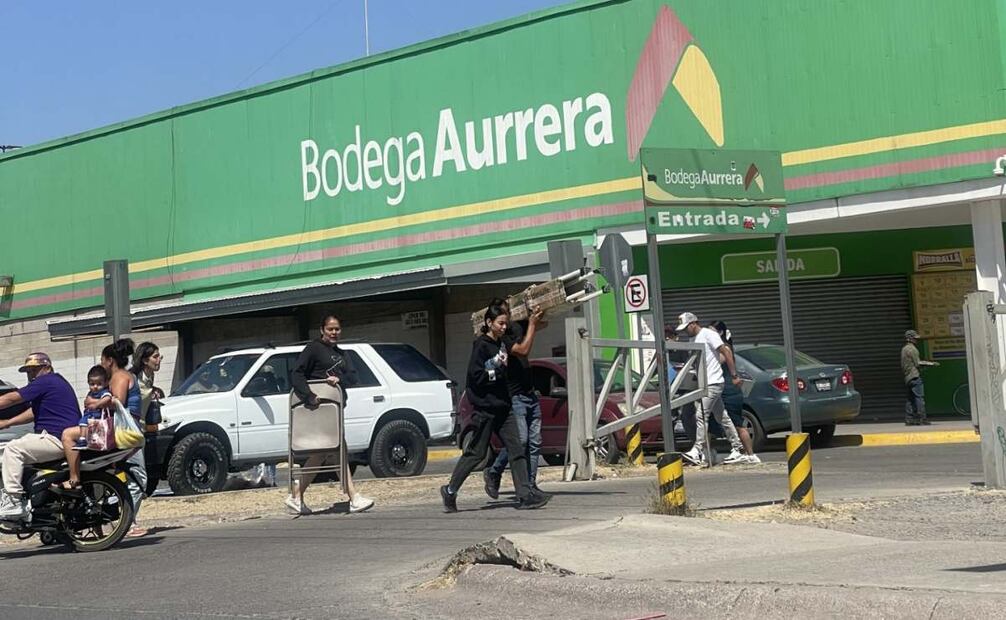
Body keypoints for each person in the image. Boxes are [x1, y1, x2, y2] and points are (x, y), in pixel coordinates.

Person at [441, 302, 551, 512]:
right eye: (500, 323)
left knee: (517, 448)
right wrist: (495, 374)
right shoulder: (481, 346)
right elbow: (475, 377)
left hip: (504, 406)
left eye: (505, 323)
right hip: (486, 408)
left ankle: (524, 495)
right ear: (489, 323)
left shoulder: (502, 344)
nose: (503, 327)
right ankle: (450, 490)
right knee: (476, 454)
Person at [288, 315, 375, 515]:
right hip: (318, 411)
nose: (334, 332)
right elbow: (297, 374)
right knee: (334, 449)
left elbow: (353, 377)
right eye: (330, 329)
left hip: (335, 411)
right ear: (322, 330)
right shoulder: (313, 348)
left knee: (322, 453)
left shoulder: (342, 354)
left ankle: (296, 495)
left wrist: (339, 378)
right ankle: (353, 497)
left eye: (337, 329)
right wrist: (309, 396)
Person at [0, 353, 81, 520]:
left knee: (13, 449)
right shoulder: (53, 383)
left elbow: (12, 398)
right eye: (28, 371)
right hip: (52, 436)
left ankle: (14, 501)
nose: (31, 375)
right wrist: (7, 422)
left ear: (47, 368)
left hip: (57, 438)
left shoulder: (47, 381)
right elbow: (33, 413)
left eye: (34, 370)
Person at [483, 300, 546, 499]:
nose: (507, 317)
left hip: (530, 393)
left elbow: (542, 324)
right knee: (521, 441)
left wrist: (535, 315)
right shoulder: (503, 339)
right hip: (516, 396)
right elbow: (523, 349)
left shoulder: (517, 326)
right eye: (503, 314)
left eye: (508, 311)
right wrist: (533, 324)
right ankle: (495, 471)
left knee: (535, 442)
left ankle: (531, 484)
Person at [675, 312, 746, 466]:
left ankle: (697, 450)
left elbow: (726, 351)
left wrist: (734, 375)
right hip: (704, 383)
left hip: (713, 382)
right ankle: (737, 448)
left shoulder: (708, 334)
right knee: (722, 417)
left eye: (686, 327)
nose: (685, 331)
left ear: (694, 323)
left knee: (701, 414)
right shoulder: (692, 339)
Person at [103, 338, 149, 538]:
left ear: (110, 360)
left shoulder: (119, 376)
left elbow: (117, 403)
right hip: (126, 432)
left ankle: (125, 519)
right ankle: (125, 521)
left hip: (125, 430)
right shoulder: (123, 376)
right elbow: (119, 403)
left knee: (129, 476)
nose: (101, 364)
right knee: (138, 477)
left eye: (103, 360)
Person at [708, 321, 760, 464]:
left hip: (729, 392)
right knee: (711, 424)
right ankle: (709, 454)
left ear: (720, 333)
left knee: (737, 423)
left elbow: (718, 361)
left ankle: (750, 454)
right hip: (719, 391)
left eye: (712, 332)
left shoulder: (724, 348)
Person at [54, 365, 113, 491]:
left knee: (67, 434)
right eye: (92, 384)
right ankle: (82, 438)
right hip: (89, 419)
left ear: (105, 382)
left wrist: (95, 404)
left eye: (98, 383)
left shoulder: (104, 392)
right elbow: (86, 402)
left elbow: (107, 399)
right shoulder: (91, 393)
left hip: (98, 422)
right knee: (82, 423)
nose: (95, 386)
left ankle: (74, 477)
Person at [130, 342, 165, 496]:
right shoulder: (133, 378)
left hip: (141, 429)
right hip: (131, 428)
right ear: (145, 360)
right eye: (155, 357)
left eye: (159, 356)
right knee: (138, 473)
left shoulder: (150, 376)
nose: (159, 360)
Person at [902, 329, 938, 425]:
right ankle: (922, 418)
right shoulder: (912, 349)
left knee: (910, 399)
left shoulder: (904, 349)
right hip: (915, 377)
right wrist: (931, 363)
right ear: (909, 339)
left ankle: (909, 419)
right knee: (919, 398)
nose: (916, 340)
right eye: (914, 338)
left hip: (908, 377)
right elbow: (918, 363)